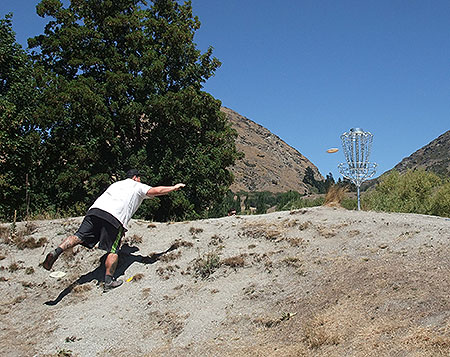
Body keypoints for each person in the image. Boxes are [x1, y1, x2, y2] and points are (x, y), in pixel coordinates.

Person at [42, 169, 185, 291]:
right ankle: (108, 282)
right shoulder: (136, 185)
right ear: (136, 177)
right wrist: (174, 187)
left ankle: (58, 250)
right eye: (140, 178)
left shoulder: (116, 184)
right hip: (114, 218)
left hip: (94, 211)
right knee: (114, 249)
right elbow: (156, 190)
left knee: (79, 236)